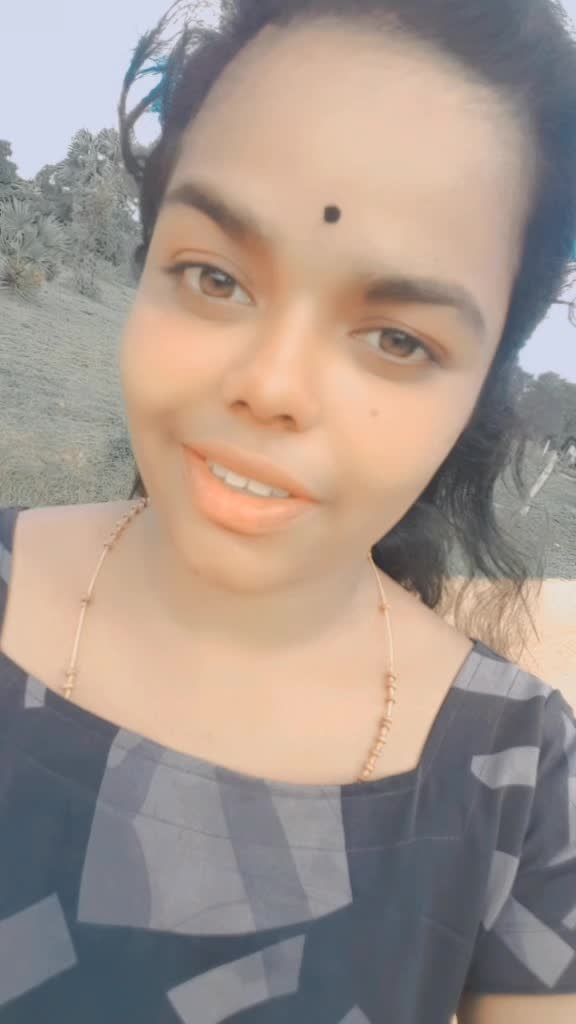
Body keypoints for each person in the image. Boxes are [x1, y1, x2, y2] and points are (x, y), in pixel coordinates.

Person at [0, 0, 575, 1019]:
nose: (271, 386)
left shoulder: (517, 785)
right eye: (214, 277)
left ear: (481, 390)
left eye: (397, 340)